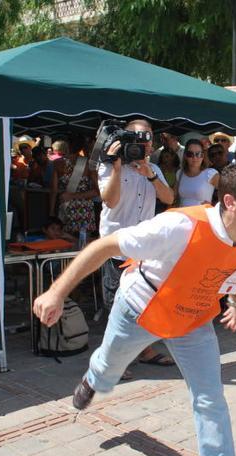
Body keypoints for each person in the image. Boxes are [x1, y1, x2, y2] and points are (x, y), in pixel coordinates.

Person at [33, 161, 236, 456]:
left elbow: (230, 271)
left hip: (193, 320)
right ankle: (95, 377)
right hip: (141, 309)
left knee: (210, 400)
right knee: (110, 366)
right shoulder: (179, 225)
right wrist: (56, 292)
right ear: (230, 202)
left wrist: (233, 303)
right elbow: (104, 247)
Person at [98, 119, 175, 367]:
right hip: (116, 247)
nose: (144, 142)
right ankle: (114, 362)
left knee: (144, 300)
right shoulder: (108, 165)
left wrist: (150, 174)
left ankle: (146, 351)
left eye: (148, 137)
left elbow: (169, 198)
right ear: (126, 139)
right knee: (114, 304)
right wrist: (118, 168)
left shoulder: (154, 169)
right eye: (138, 137)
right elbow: (109, 201)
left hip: (144, 249)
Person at [49, 137, 99, 237]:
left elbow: (53, 191)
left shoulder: (58, 163)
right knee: (83, 240)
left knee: (65, 238)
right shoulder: (88, 163)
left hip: (66, 206)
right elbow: (97, 191)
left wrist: (51, 211)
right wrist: (74, 196)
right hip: (85, 209)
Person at [175, 139, 219, 207]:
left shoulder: (210, 174)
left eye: (198, 154)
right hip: (183, 216)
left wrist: (214, 207)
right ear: (185, 156)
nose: (194, 157)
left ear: (203, 156)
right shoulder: (180, 173)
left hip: (202, 216)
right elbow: (173, 197)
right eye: (190, 154)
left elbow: (229, 193)